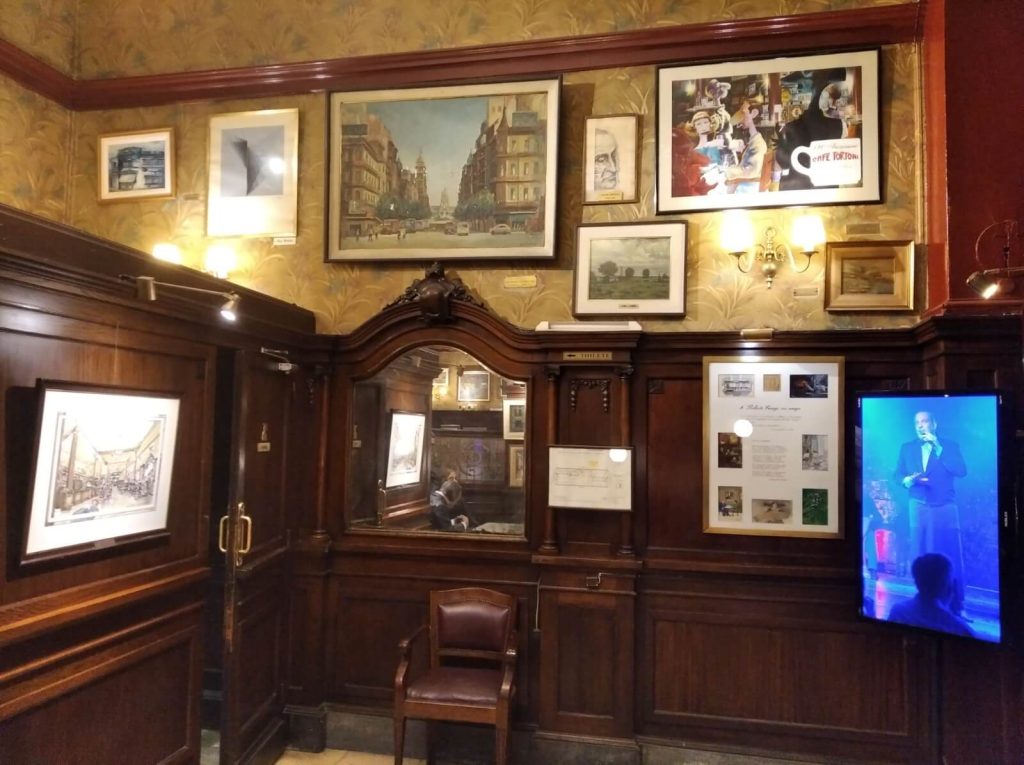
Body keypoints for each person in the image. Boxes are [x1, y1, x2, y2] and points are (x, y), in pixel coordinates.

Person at [893, 410, 968, 615]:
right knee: (920, 550)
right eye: (917, 422)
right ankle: (923, 602)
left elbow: (961, 471)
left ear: (934, 424)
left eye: (924, 421)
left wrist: (938, 447)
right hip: (918, 504)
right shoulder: (907, 448)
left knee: (950, 552)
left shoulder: (949, 446)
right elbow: (897, 474)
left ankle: (957, 603)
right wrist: (906, 481)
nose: (920, 425)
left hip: (944, 505)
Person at [888, 553, 975, 638]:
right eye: (952, 580)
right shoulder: (957, 628)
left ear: (917, 582)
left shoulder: (897, 611)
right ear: (948, 586)